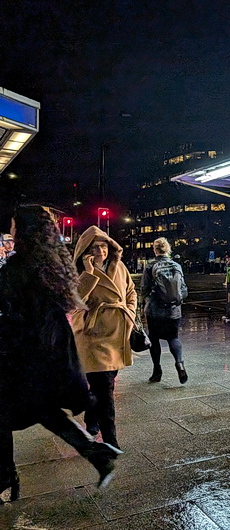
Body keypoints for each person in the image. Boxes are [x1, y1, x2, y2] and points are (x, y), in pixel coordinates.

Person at [0, 207, 122, 500]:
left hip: (22, 354)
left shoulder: (17, 269)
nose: (12, 231)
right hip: (49, 350)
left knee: (13, 410)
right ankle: (96, 452)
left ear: (23, 232)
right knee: (39, 409)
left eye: (14, 226)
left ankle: (6, 475)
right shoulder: (51, 265)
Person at [71, 226, 137, 450]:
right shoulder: (78, 271)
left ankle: (91, 419)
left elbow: (131, 291)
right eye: (95, 247)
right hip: (93, 334)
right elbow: (74, 301)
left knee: (102, 385)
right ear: (85, 251)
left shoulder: (119, 266)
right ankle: (111, 439)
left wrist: (130, 313)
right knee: (105, 387)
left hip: (117, 332)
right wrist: (89, 273)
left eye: (103, 245)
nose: (101, 250)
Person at [141, 237, 188, 384]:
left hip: (155, 310)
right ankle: (179, 363)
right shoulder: (176, 265)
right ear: (168, 249)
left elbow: (144, 289)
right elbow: (184, 289)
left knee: (154, 339)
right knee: (173, 337)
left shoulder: (150, 266)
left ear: (155, 250)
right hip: (173, 310)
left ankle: (157, 371)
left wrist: (145, 303)